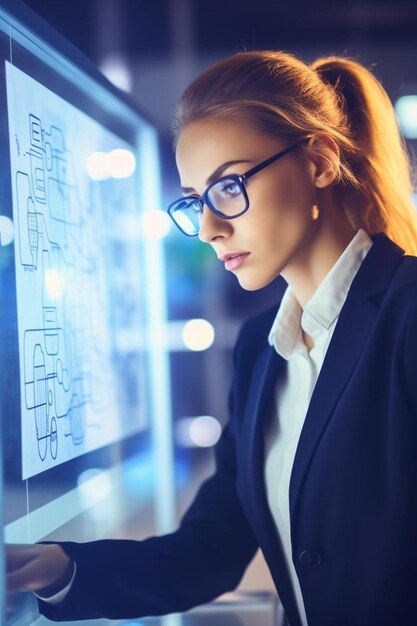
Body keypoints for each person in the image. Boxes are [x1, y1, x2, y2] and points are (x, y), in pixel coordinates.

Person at [6, 50, 417, 626]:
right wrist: (56, 568)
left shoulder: (406, 313)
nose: (207, 227)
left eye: (229, 186)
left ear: (321, 161)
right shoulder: (260, 350)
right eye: (196, 199)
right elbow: (213, 548)